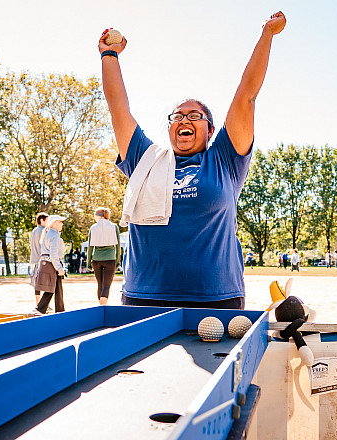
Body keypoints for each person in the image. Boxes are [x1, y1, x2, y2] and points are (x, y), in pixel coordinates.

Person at [100, 12, 287, 309]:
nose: (184, 119)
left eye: (194, 115)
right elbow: (118, 109)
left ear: (210, 130)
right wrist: (109, 55)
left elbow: (246, 97)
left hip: (218, 299)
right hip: (143, 298)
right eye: (177, 116)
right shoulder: (144, 159)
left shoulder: (224, 158)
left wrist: (266, 34)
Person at [32, 215, 67, 315]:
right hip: (51, 263)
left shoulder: (49, 233)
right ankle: (41, 309)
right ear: (54, 223)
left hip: (46, 262)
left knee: (55, 287)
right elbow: (54, 254)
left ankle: (57, 310)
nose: (62, 224)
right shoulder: (54, 235)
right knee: (52, 287)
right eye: (60, 222)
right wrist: (59, 268)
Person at [88, 207, 121, 305]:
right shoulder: (114, 227)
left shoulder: (93, 227)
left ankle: (101, 306)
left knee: (100, 284)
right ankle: (103, 307)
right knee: (106, 286)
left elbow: (90, 248)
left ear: (98, 216)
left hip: (96, 259)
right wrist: (118, 261)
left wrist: (88, 262)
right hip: (110, 259)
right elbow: (118, 246)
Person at [29, 212, 48, 305]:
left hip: (33, 259)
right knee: (45, 282)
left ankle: (38, 303)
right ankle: (44, 304)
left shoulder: (34, 231)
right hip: (41, 260)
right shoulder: (43, 231)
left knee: (36, 283)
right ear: (41, 220)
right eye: (46, 220)